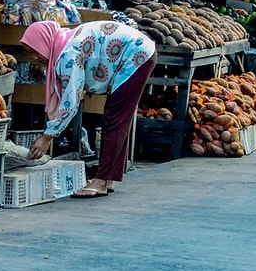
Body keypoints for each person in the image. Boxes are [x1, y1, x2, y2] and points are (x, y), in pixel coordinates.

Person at [21, 19, 157, 198]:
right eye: (30, 52)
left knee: (116, 119)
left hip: (137, 56)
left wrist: (48, 136)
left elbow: (71, 101)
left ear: (45, 41)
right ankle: (108, 178)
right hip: (137, 53)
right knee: (114, 117)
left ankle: (101, 180)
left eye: (35, 50)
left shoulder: (68, 54)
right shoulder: (65, 41)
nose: (35, 57)